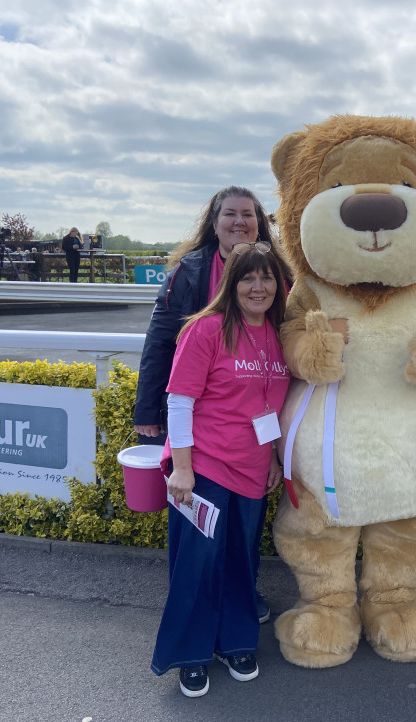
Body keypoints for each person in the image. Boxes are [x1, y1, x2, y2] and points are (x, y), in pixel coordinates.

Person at [150, 241, 291, 697]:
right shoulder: (206, 330)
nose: (258, 286)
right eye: (248, 277)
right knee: (199, 561)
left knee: (241, 560)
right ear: (231, 282)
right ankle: (191, 653)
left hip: (252, 467)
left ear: (277, 285)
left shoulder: (275, 334)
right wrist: (183, 469)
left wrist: (271, 456)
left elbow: (268, 403)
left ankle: (236, 641)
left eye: (266, 277)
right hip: (205, 465)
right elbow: (179, 401)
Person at [134, 186, 277, 624]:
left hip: (254, 433)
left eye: (248, 215)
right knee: (199, 529)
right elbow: (161, 339)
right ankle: (195, 611)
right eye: (230, 215)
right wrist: (148, 411)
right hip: (200, 428)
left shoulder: (277, 270)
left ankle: (240, 599)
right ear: (213, 224)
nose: (240, 222)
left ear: (260, 222)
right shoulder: (191, 271)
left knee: (242, 531)